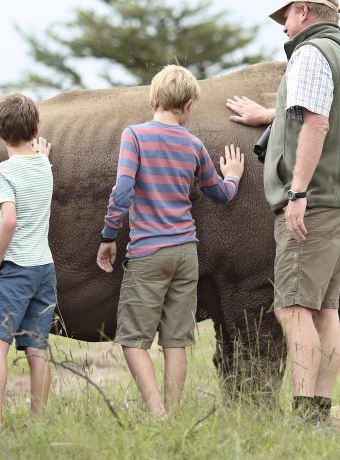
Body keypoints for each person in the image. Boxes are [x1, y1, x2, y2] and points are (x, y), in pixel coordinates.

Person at [226, 0, 340, 422]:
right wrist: (270, 114)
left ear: (303, 11)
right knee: (324, 310)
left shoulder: (308, 52)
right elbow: (326, 111)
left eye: (285, 17)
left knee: (292, 308)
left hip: (316, 201)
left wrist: (298, 192)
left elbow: (317, 124)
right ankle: (318, 412)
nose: (283, 27)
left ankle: (306, 414)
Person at [96, 65, 246, 417]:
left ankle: (157, 412)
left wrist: (108, 236)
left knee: (133, 341)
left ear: (154, 96)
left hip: (148, 252)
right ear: (189, 103)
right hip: (185, 253)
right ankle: (173, 414)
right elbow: (220, 194)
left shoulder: (134, 136)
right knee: (176, 341)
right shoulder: (194, 145)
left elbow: (122, 191)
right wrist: (235, 177)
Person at [0, 93, 55, 437]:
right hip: (44, 268)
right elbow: (39, 162)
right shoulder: (44, 164)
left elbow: (8, 221)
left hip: (14, 267)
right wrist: (42, 155)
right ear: (36, 128)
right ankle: (38, 421)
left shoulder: (2, 172)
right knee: (37, 348)